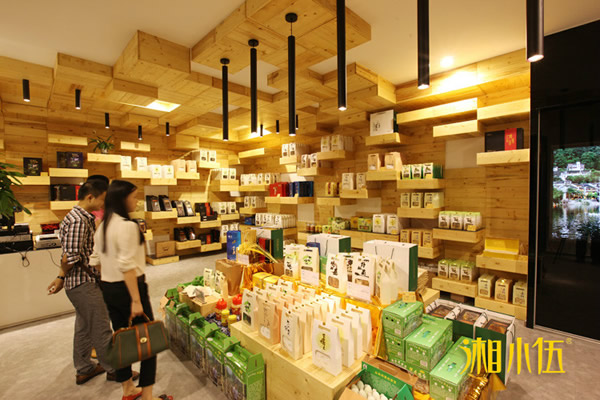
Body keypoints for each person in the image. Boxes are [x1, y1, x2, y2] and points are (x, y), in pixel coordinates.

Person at [47, 179, 139, 388]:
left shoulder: (78, 217)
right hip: (83, 283)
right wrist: (61, 277)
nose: (103, 205)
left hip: (80, 283)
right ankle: (116, 370)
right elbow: (70, 257)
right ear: (90, 197)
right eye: (102, 200)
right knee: (100, 327)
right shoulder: (79, 221)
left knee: (84, 327)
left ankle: (84, 368)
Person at [90, 180, 172, 400]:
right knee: (148, 340)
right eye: (134, 197)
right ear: (122, 199)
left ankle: (127, 389)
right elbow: (127, 267)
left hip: (109, 287)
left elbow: (95, 261)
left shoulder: (102, 226)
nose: (136, 201)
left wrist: (109, 276)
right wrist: (136, 300)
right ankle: (148, 396)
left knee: (121, 339)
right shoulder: (128, 226)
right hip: (131, 288)